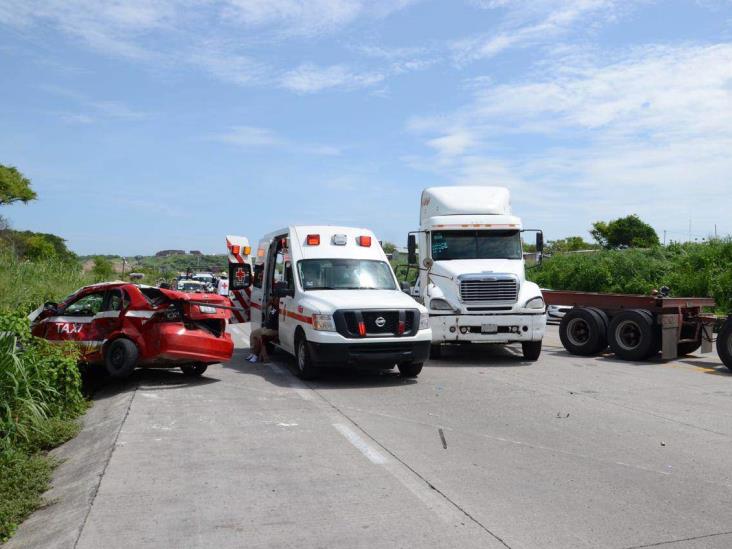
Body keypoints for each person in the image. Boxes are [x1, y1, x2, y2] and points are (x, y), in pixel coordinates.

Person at [247, 297, 279, 363]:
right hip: (267, 328)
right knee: (253, 333)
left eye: (276, 300)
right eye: (274, 300)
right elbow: (262, 308)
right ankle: (252, 353)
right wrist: (269, 303)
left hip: (273, 330)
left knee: (260, 337)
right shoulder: (273, 308)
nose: (274, 301)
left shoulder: (279, 310)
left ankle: (256, 356)